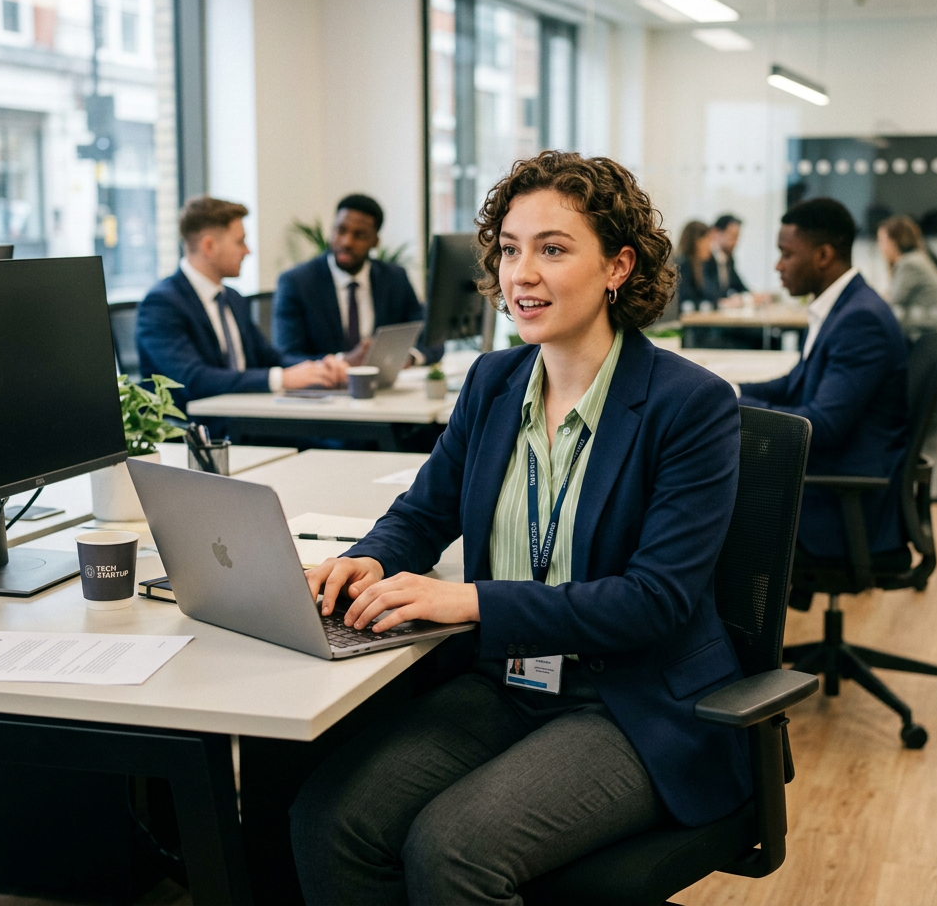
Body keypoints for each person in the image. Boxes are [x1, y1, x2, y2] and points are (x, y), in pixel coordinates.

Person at [289, 152, 751, 905]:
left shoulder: (689, 405)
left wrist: (473, 602)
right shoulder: (494, 382)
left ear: (618, 267)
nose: (520, 273)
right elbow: (424, 511)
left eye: (553, 248)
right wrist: (368, 561)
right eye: (509, 249)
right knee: (329, 818)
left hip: (629, 701)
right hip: (505, 680)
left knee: (452, 850)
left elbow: (654, 600)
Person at [737, 198, 909, 604]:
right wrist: (728, 392)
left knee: (703, 507)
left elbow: (822, 426)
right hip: (833, 478)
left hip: (840, 499)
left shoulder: (859, 320)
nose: (778, 266)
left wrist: (731, 411)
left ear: (823, 255)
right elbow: (794, 383)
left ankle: (730, 655)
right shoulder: (843, 307)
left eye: (786, 254)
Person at [137, 197, 345, 413]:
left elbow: (271, 358)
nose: (248, 251)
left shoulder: (233, 299)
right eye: (240, 242)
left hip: (247, 418)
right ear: (209, 246)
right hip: (199, 432)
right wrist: (281, 379)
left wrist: (321, 367)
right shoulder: (162, 304)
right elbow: (193, 379)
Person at [273, 194, 440, 365]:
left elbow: (432, 339)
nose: (346, 242)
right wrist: (343, 361)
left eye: (359, 235)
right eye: (341, 230)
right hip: (327, 388)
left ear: (375, 241)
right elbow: (287, 357)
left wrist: (409, 358)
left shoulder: (394, 278)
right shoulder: (297, 282)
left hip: (385, 386)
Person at [876, 214, 937, 342]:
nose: (879, 247)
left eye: (882, 240)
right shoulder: (917, 258)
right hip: (928, 330)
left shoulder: (909, 264)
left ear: (894, 242)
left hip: (921, 334)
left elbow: (891, 301)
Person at [674, 219, 719, 310]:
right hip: (687, 321)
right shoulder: (682, 265)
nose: (710, 246)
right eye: (708, 240)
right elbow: (685, 301)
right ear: (697, 242)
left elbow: (713, 295)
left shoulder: (705, 264)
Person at [704, 213, 749, 301]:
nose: (736, 242)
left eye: (737, 237)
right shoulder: (705, 258)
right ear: (716, 233)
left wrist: (752, 296)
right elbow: (708, 293)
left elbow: (739, 286)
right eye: (732, 236)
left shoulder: (729, 259)